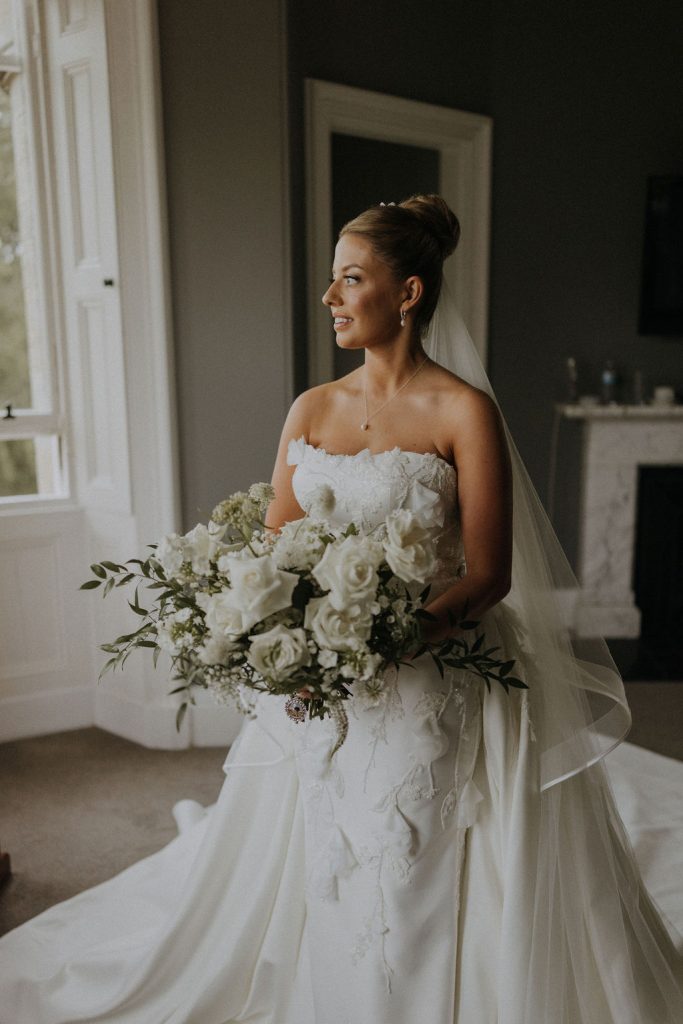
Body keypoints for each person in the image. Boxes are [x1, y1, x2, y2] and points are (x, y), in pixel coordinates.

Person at [0, 195, 681, 1023]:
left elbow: (489, 574)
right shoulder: (311, 408)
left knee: (412, 853)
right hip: (320, 684)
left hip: (430, 667)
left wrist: (394, 639)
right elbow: (274, 549)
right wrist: (282, 642)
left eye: (351, 279)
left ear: (409, 293)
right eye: (332, 279)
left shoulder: (462, 411)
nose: (329, 297)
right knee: (324, 851)